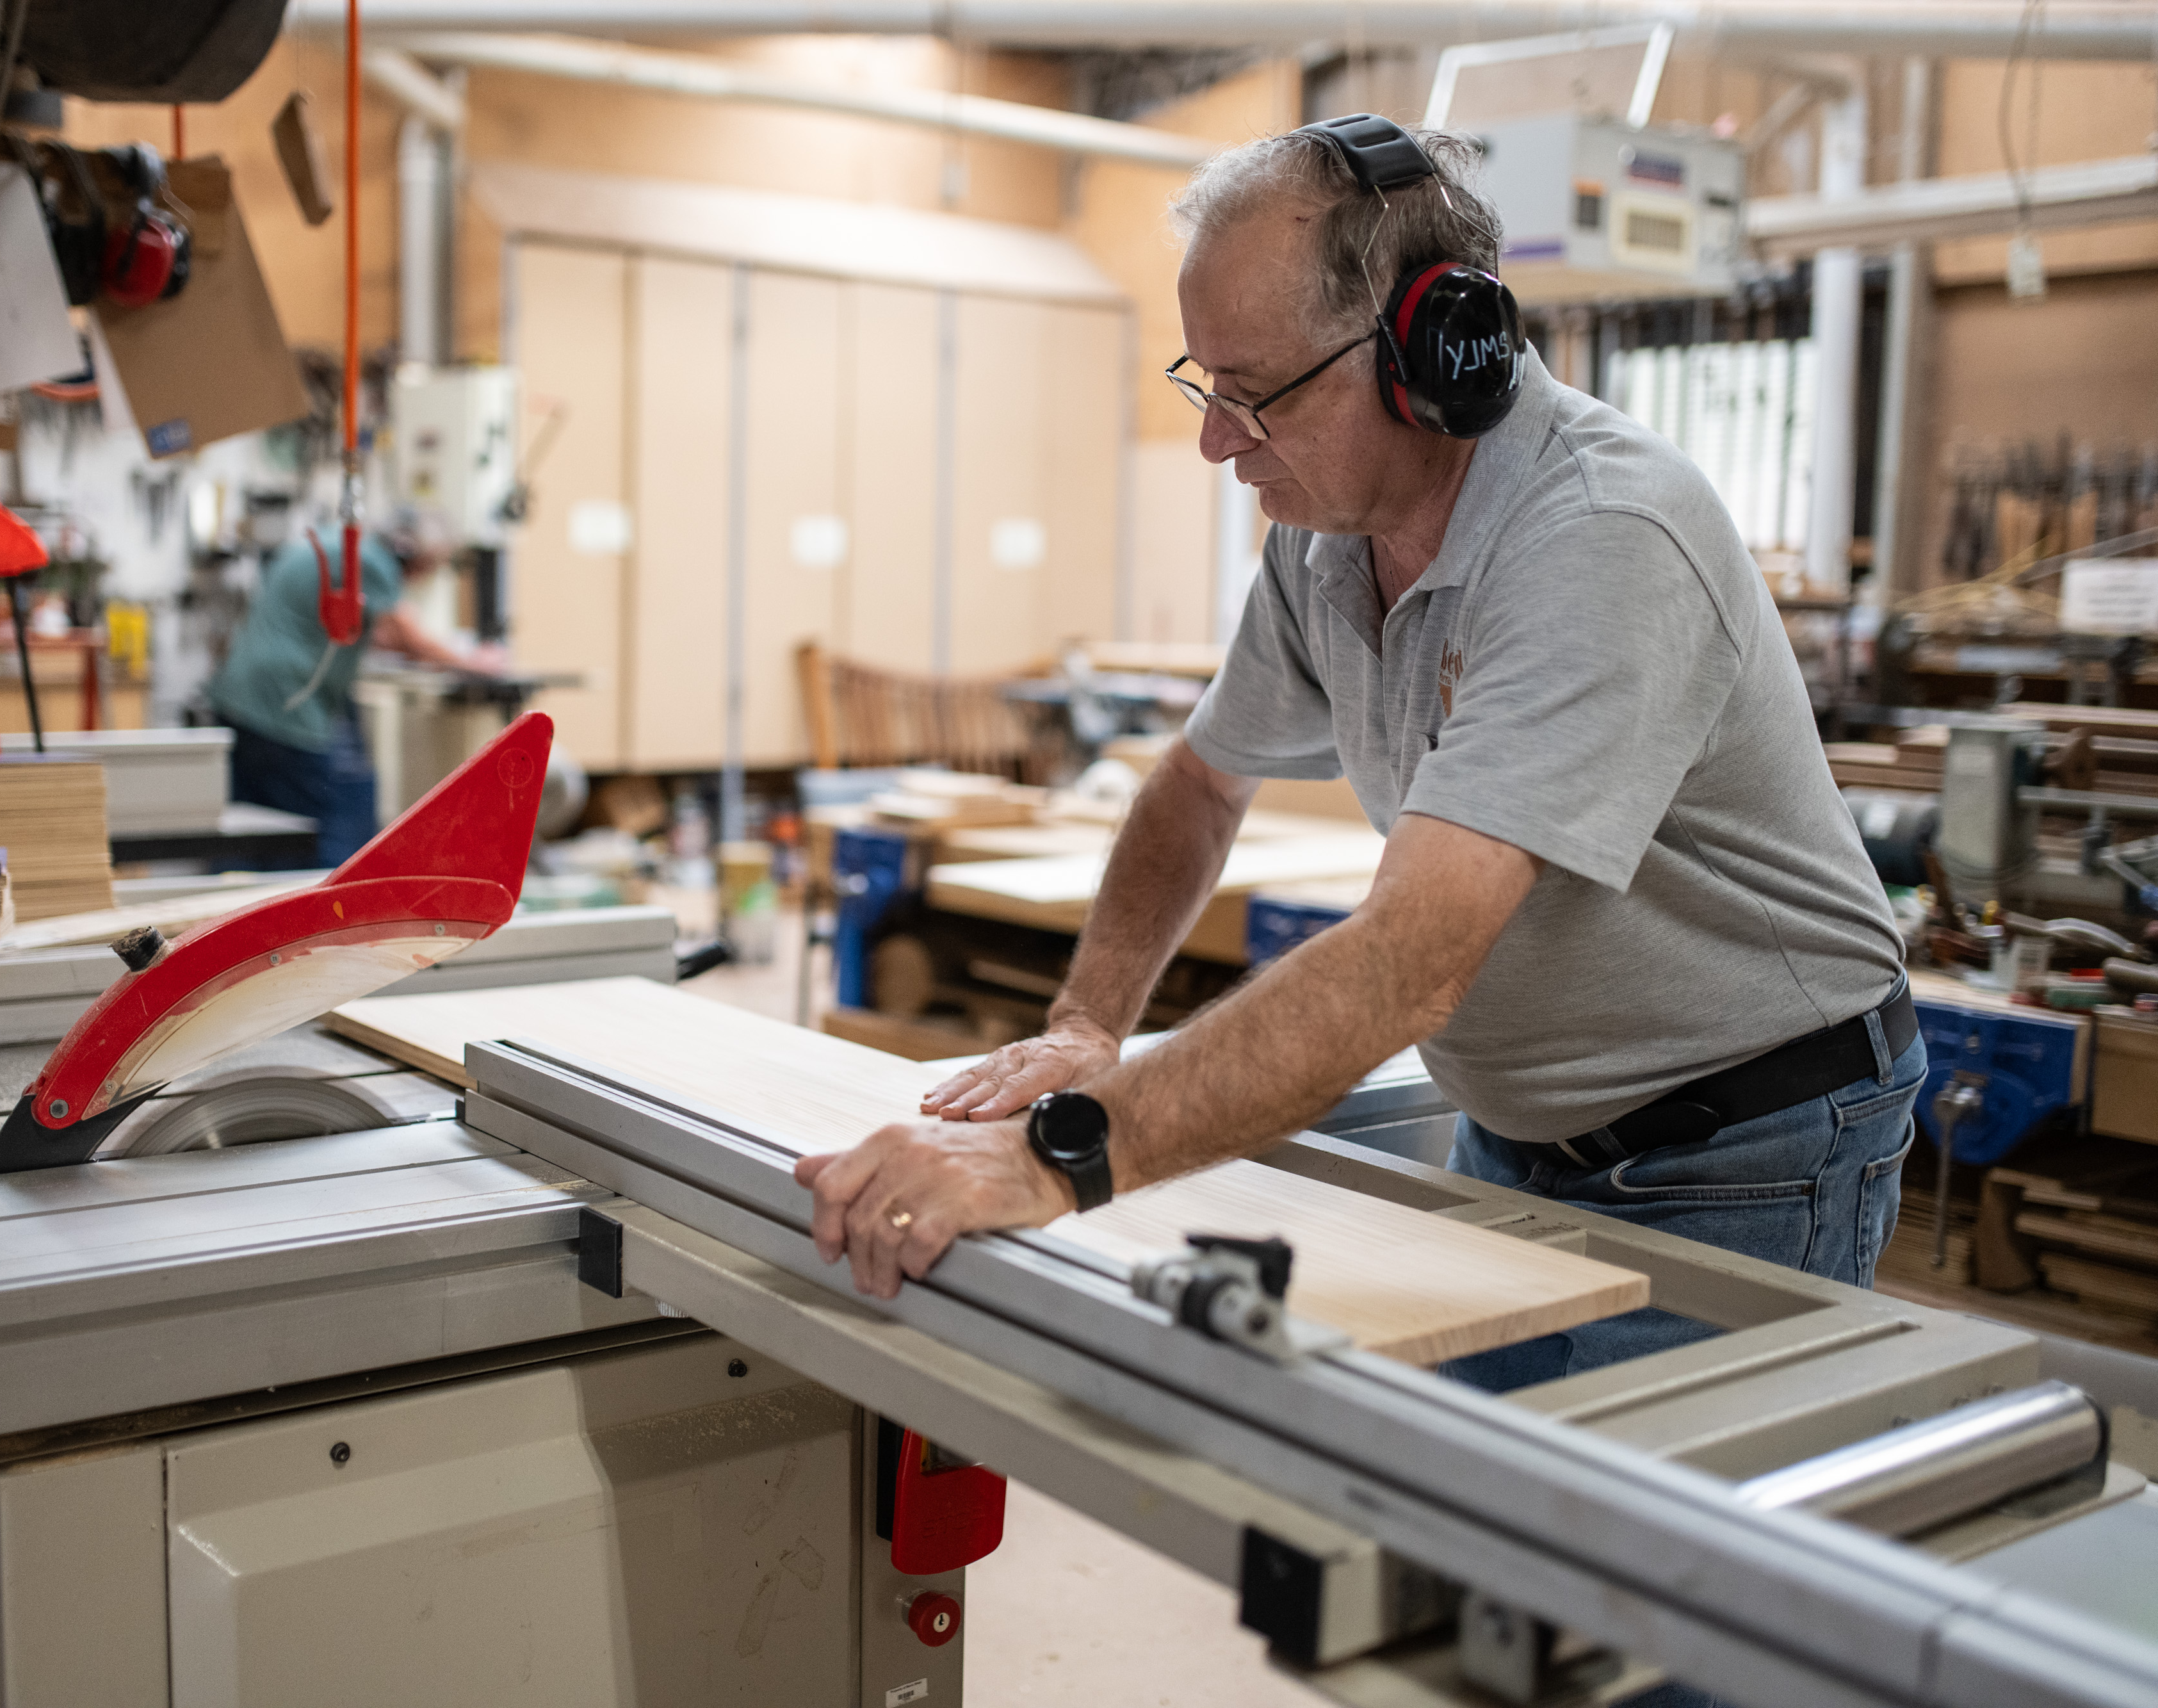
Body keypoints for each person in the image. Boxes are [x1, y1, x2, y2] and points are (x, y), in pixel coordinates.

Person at [795, 117, 1922, 1394]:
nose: (1218, 444)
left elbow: (1405, 962)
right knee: (1452, 1494)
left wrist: (1057, 1155)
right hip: (1525, 1120)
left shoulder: (1601, 541)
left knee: (1638, 1560)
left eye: (1254, 395)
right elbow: (1202, 779)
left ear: (1432, 355)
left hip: (1747, 1134)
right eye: (1202, 387)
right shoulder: (1323, 531)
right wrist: (1083, 1029)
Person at [211, 512, 501, 868]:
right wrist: (474, 662)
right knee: (321, 825)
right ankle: (321, 912)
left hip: (243, 698)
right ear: (418, 557)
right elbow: (407, 635)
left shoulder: (338, 545)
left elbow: (372, 631)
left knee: (253, 829)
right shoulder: (368, 560)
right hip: (287, 704)